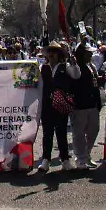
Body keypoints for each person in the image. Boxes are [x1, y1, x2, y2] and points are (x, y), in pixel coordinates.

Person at [37, 41, 80, 172]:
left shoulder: (65, 66)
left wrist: (74, 64)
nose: (51, 54)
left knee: (61, 132)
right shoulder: (42, 68)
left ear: (59, 54)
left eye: (54, 52)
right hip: (47, 104)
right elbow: (38, 86)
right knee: (47, 133)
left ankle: (65, 160)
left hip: (60, 104)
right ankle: (46, 160)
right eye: (49, 51)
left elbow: (76, 75)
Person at [71, 43, 101, 170]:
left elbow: (95, 84)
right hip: (79, 106)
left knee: (93, 130)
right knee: (78, 134)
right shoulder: (74, 67)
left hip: (92, 104)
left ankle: (87, 154)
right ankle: (80, 159)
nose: (91, 55)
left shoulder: (92, 66)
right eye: (88, 53)